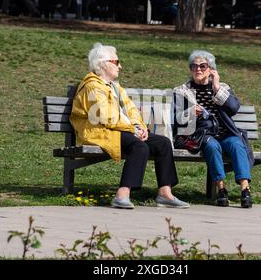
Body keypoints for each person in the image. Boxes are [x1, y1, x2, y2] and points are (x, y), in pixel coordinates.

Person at [70, 43, 190, 210]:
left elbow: (131, 109)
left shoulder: (115, 87)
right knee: (139, 147)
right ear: (104, 64)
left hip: (120, 130)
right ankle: (122, 194)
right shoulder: (92, 86)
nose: (120, 66)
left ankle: (165, 193)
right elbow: (105, 117)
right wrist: (133, 130)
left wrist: (139, 127)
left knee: (162, 143)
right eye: (116, 62)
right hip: (99, 132)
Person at [173, 50, 254, 208]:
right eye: (194, 66)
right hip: (203, 134)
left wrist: (216, 86)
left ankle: (245, 190)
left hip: (226, 132)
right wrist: (190, 112)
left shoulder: (222, 88)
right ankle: (221, 189)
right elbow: (175, 119)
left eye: (203, 66)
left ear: (211, 69)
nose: (198, 70)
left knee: (237, 145)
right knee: (212, 146)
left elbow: (234, 108)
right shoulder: (182, 91)